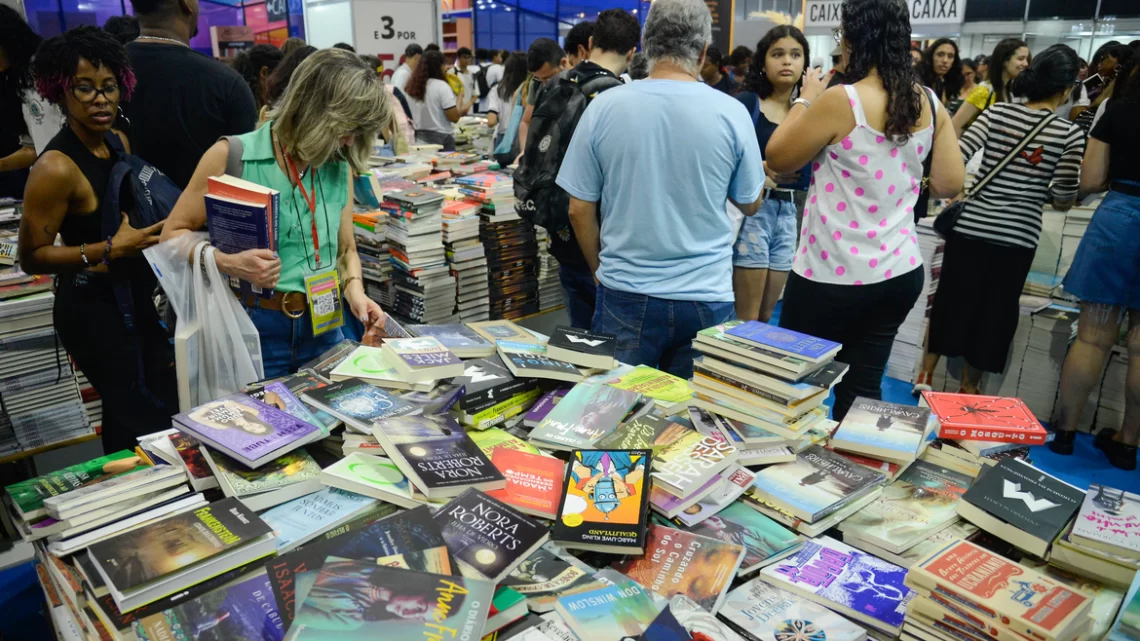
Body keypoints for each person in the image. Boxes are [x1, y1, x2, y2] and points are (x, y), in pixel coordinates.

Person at [764, 0, 964, 421]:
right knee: (863, 389)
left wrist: (804, 100)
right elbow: (950, 184)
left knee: (801, 389)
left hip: (831, 272)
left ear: (855, 39)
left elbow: (778, 157)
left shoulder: (842, 100)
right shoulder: (928, 100)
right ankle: (851, 474)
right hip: (897, 270)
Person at [556, 0, 764, 378]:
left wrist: (599, 268)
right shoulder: (731, 112)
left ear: (647, 45)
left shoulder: (604, 107)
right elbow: (749, 203)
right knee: (693, 425)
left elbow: (578, 208)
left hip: (625, 290)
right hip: (707, 293)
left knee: (614, 420)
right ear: (702, 52)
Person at [161, 49, 391, 378]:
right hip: (256, 327)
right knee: (265, 425)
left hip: (325, 325)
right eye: (347, 128)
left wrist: (356, 292)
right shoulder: (233, 157)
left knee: (335, 425)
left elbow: (345, 249)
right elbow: (173, 234)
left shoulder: (337, 163)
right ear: (315, 110)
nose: (350, 139)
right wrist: (227, 262)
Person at [17, 26, 177, 454]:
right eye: (83, 89)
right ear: (59, 92)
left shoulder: (116, 141)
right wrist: (109, 249)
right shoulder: (54, 167)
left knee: (155, 408)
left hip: (134, 298)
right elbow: (31, 257)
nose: (100, 99)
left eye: (108, 88)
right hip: (91, 310)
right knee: (132, 415)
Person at [914, 45, 1085, 396]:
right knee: (994, 315)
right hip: (1017, 238)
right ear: (1067, 89)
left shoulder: (996, 114)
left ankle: (925, 377)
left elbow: (957, 156)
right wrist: (1044, 193)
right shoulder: (1069, 135)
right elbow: (1066, 196)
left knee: (950, 301)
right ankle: (968, 389)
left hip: (971, 227)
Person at [1049, 59, 1140, 470]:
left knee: (1092, 337)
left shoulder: (1120, 109)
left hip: (1118, 220)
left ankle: (1065, 433)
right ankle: (1127, 444)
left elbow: (1090, 179)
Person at [538, 8, 640, 331]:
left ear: (591, 42)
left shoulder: (554, 83)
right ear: (632, 52)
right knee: (612, 359)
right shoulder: (618, 98)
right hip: (600, 244)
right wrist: (597, 267)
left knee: (579, 345)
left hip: (559, 231)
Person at [123, 0, 258, 190]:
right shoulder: (226, 84)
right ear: (186, 3)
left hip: (123, 217)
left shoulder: (108, 73)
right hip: (206, 217)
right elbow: (249, 178)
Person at [732, 25, 812, 323]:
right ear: (763, 63)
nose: (787, 61)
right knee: (745, 317)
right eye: (777, 54)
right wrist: (760, 169)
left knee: (766, 316)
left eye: (795, 54)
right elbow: (725, 160)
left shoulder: (809, 109)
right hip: (753, 211)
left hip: (791, 212)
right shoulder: (747, 104)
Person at [0, 6, 65, 199]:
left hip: (72, 177)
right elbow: (33, 148)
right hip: (47, 181)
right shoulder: (14, 79)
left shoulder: (48, 67)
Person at [952, 38, 1029, 134]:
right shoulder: (984, 90)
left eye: (1026, 59)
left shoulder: (1011, 91)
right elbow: (956, 126)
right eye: (1020, 59)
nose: (1026, 64)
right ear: (1004, 60)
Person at [405, 50, 474, 150]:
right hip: (442, 139)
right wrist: (459, 97)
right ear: (438, 67)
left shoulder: (412, 87)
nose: (446, 68)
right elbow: (454, 117)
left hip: (419, 138)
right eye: (444, 65)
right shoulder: (441, 86)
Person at [517, 38, 565, 160]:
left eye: (548, 78)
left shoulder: (579, 85)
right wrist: (524, 152)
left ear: (564, 63)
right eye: (539, 79)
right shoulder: (536, 83)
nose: (544, 84)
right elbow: (525, 122)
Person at [485, 53, 528, 166]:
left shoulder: (497, 89)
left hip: (504, 139)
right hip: (524, 138)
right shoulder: (528, 90)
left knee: (502, 176)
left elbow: (491, 121)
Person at [232, 43, 283, 110]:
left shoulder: (238, 97)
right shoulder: (248, 110)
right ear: (264, 73)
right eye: (279, 76)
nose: (281, 85)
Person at [919, 38, 963, 107]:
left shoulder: (942, 82)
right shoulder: (916, 80)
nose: (945, 60)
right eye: (940, 54)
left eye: (950, 56)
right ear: (931, 56)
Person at [477, 48, 505, 112]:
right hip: (493, 103)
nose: (501, 58)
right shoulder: (497, 67)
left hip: (481, 103)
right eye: (500, 56)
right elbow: (502, 83)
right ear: (495, 57)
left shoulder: (481, 67)